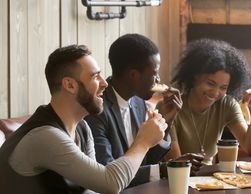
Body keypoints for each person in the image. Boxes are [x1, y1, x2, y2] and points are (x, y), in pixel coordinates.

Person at [0, 44, 167, 194]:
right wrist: (143, 142)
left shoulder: (82, 128)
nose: (105, 83)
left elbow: (92, 189)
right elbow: (110, 184)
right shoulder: (44, 136)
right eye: (95, 76)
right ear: (70, 85)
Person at [84, 34, 203, 186]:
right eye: (154, 73)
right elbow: (108, 174)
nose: (159, 80)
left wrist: (166, 120)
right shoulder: (97, 110)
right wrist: (164, 169)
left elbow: (145, 160)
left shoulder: (138, 102)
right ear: (134, 75)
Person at [164, 39, 251, 164]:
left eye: (223, 88)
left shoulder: (226, 104)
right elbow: (176, 164)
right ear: (195, 76)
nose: (216, 93)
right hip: (177, 179)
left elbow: (250, 148)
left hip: (210, 180)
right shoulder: (171, 107)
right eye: (210, 83)